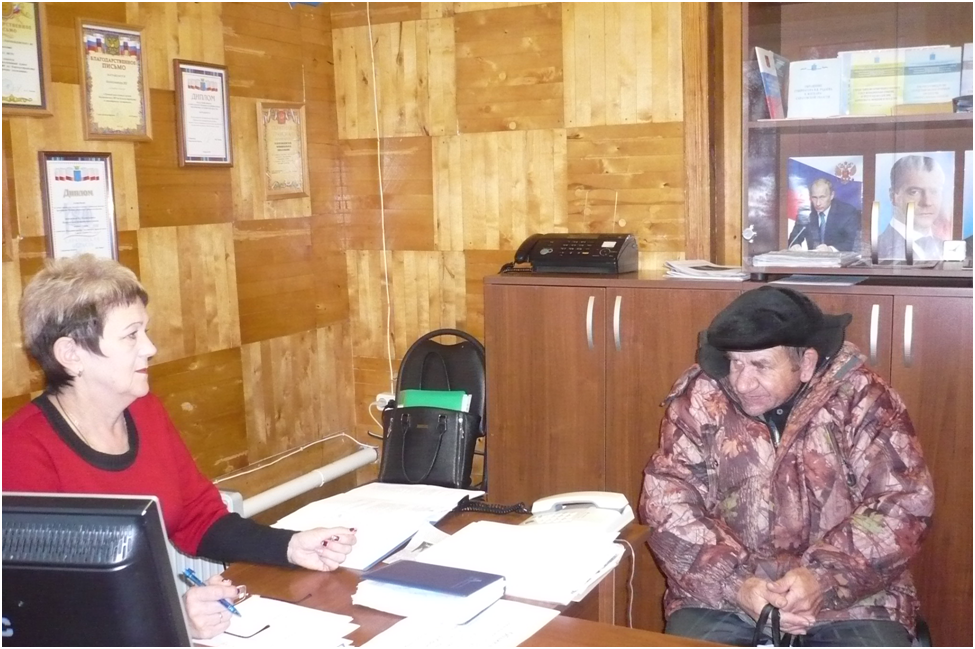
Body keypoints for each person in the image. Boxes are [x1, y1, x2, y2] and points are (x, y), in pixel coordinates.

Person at [2, 255, 357, 640]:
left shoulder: (145, 411)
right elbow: (34, 610)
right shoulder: (20, 451)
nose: (150, 348)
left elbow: (197, 516)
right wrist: (172, 619)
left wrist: (288, 546)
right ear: (71, 355)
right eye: (131, 335)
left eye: (145, 331)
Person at [640, 286, 934, 646]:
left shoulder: (863, 398)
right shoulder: (700, 398)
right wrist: (737, 585)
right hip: (721, 597)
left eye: (760, 365)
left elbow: (904, 503)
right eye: (735, 362)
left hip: (855, 600)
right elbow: (667, 503)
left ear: (806, 363)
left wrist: (823, 579)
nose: (742, 382)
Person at [877, 155, 948, 261]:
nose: (927, 202)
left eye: (934, 191)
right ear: (893, 196)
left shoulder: (945, 247)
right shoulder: (876, 250)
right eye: (914, 192)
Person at [789, 178, 861, 252]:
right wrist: (795, 245)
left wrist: (830, 249)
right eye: (814, 198)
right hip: (813, 258)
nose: (818, 203)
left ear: (832, 195)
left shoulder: (846, 212)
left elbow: (851, 243)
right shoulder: (806, 211)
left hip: (838, 257)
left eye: (822, 197)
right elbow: (794, 237)